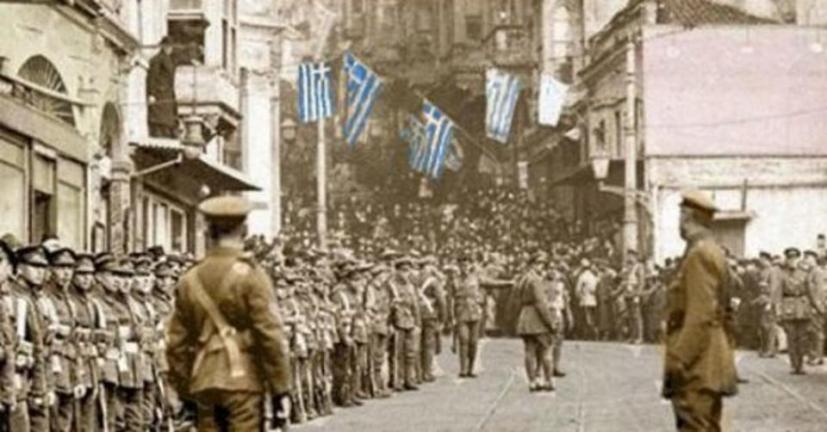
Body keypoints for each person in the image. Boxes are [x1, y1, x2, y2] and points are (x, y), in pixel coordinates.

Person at [166, 195, 291, 431]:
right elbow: (271, 336)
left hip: (203, 381)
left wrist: (185, 392)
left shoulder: (189, 279)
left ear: (208, 231)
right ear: (244, 230)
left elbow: (176, 345)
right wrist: (280, 390)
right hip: (244, 383)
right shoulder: (252, 276)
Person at [662, 190, 737, 432]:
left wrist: (680, 358)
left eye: (680, 215)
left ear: (686, 216)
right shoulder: (711, 249)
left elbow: (700, 314)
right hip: (708, 358)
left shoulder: (699, 254)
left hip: (698, 363)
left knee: (694, 426)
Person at [515, 252, 556, 392]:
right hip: (537, 317)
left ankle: (532, 381)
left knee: (529, 350)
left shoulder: (523, 278)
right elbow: (540, 303)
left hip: (525, 315)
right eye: (540, 264)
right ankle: (548, 380)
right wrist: (550, 322)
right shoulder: (536, 280)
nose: (542, 267)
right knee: (546, 349)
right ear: (533, 264)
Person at [778, 247, 814, 375]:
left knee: (802, 338)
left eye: (794, 258)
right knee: (791, 338)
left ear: (798, 259)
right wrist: (778, 310)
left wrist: (814, 307)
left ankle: (801, 364)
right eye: (790, 258)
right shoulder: (781, 274)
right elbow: (778, 293)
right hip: (788, 307)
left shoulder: (805, 273)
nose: (792, 260)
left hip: (803, 308)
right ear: (786, 259)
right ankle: (794, 365)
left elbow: (810, 291)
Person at [146, 36, 179, 138]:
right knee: (159, 121)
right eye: (167, 46)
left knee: (167, 123)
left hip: (167, 94)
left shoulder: (169, 60)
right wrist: (151, 93)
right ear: (163, 46)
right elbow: (152, 76)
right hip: (159, 94)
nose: (170, 49)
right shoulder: (157, 60)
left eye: (171, 46)